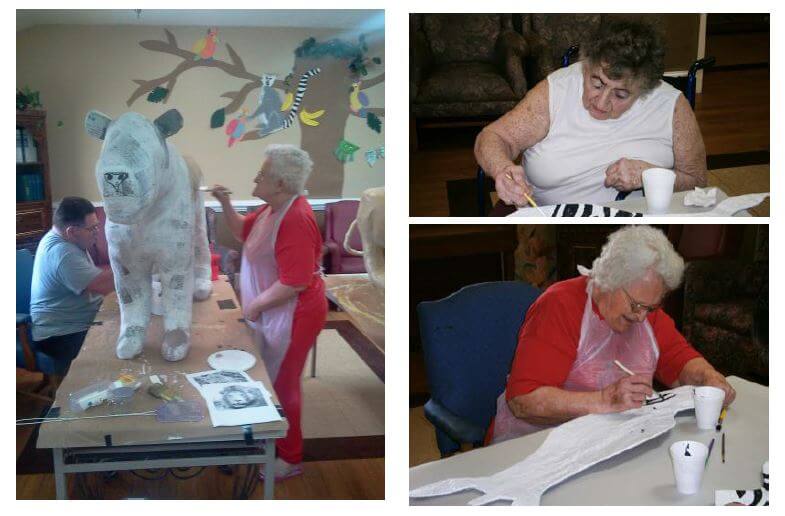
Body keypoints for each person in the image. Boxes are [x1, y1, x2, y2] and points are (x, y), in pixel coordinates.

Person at [491, 225, 736, 444]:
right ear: (607, 280)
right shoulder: (559, 305)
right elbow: (523, 401)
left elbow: (678, 360)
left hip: (603, 442)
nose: (642, 317)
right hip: (533, 442)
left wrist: (709, 379)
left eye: (651, 308)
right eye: (636, 305)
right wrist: (604, 401)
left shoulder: (646, 309)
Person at [475, 19, 707, 208]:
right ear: (586, 66)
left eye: (621, 95)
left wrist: (650, 175)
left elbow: (697, 182)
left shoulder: (672, 106)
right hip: (551, 220)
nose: (602, 102)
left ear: (644, 89)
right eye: (596, 83)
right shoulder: (558, 88)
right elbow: (494, 137)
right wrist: (502, 170)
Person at [212, 144, 327, 480]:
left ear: (280, 184)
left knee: (282, 383)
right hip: (276, 310)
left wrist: (256, 305)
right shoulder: (271, 210)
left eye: (262, 175)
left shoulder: (295, 218)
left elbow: (295, 282)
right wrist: (224, 203)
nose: (255, 178)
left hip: (296, 314)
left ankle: (290, 459)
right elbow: (241, 232)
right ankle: (266, 436)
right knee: (268, 377)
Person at [30, 197, 115, 369]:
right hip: (58, 336)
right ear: (72, 232)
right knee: (118, 349)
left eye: (97, 226)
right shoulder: (63, 252)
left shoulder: (66, 240)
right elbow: (105, 285)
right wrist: (138, 265)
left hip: (73, 323)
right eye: (91, 228)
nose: (97, 232)